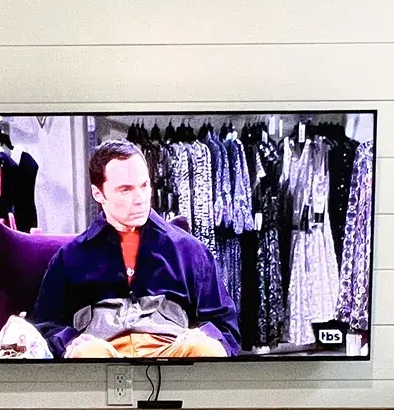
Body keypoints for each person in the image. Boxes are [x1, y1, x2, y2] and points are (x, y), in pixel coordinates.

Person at [30, 140, 241, 359]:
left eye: (144, 186)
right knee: (87, 352)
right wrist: (70, 341)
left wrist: (203, 335)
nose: (140, 199)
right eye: (126, 190)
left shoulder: (189, 251)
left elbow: (225, 325)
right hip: (103, 354)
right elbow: (44, 327)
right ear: (98, 194)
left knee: (207, 348)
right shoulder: (70, 257)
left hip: (174, 352)